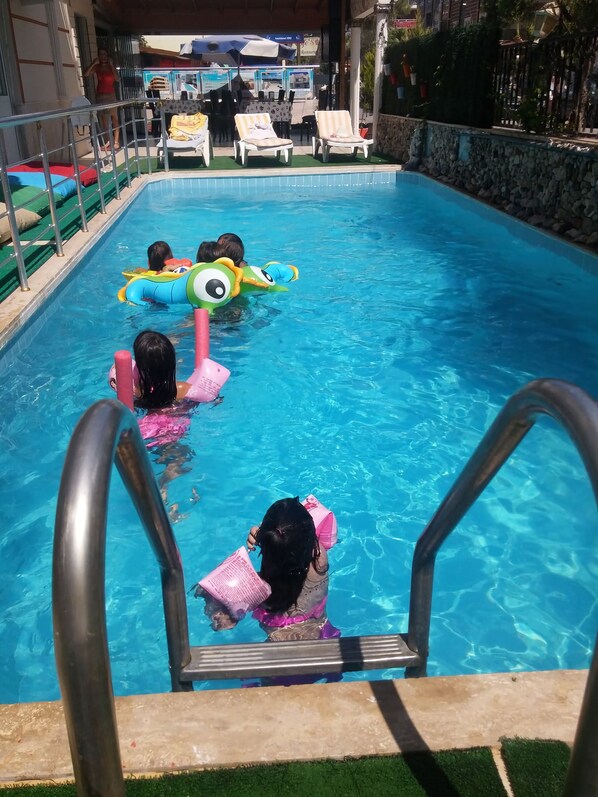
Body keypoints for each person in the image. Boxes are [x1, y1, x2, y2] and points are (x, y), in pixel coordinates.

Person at [84, 48, 120, 149]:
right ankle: (109, 140)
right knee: (104, 119)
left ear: (107, 56)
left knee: (114, 118)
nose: (102, 56)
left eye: (104, 54)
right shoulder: (97, 67)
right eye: (101, 54)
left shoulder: (110, 67)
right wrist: (93, 63)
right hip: (100, 95)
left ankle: (116, 141)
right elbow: (86, 74)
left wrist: (112, 65)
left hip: (111, 95)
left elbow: (117, 79)